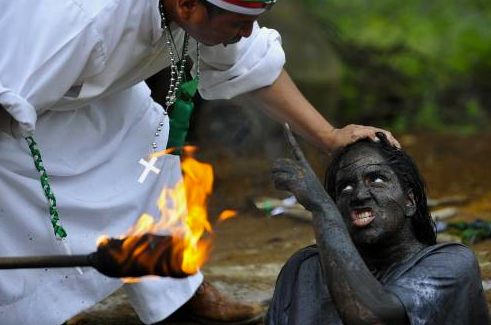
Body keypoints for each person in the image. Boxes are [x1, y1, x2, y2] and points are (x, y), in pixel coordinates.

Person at [0, 0, 399, 324]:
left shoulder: (204, 10)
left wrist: (329, 136)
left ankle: (175, 289)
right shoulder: (78, 19)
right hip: (13, 108)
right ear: (188, 6)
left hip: (90, 101)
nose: (245, 32)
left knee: (147, 138)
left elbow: (252, 63)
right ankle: (39, 306)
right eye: (237, 24)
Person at [267, 130, 490, 325]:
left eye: (377, 179)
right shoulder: (303, 268)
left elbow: (372, 317)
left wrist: (323, 208)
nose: (359, 195)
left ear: (409, 201)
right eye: (345, 187)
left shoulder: (452, 264)